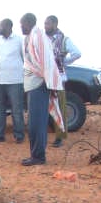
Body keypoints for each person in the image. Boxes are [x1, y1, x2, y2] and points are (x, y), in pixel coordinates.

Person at [20, 13, 63, 166]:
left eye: (22, 24)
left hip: (39, 84)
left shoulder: (37, 36)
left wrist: (51, 84)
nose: (21, 27)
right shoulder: (32, 36)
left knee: (37, 122)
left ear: (29, 22)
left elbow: (47, 62)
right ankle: (36, 154)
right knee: (34, 122)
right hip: (34, 84)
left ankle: (38, 156)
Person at [44, 15, 81, 148]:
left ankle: (59, 137)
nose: (45, 26)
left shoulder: (64, 39)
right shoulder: (43, 38)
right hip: (43, 77)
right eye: (45, 24)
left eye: (47, 24)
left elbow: (77, 53)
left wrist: (63, 62)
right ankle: (43, 134)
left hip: (58, 78)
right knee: (44, 106)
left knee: (59, 107)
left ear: (55, 24)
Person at [0, 18, 26, 144]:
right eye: (0, 26)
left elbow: (24, 58)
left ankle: (19, 135)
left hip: (15, 80)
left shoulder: (19, 40)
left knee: (16, 109)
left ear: (10, 27)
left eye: (2, 26)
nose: (0, 28)